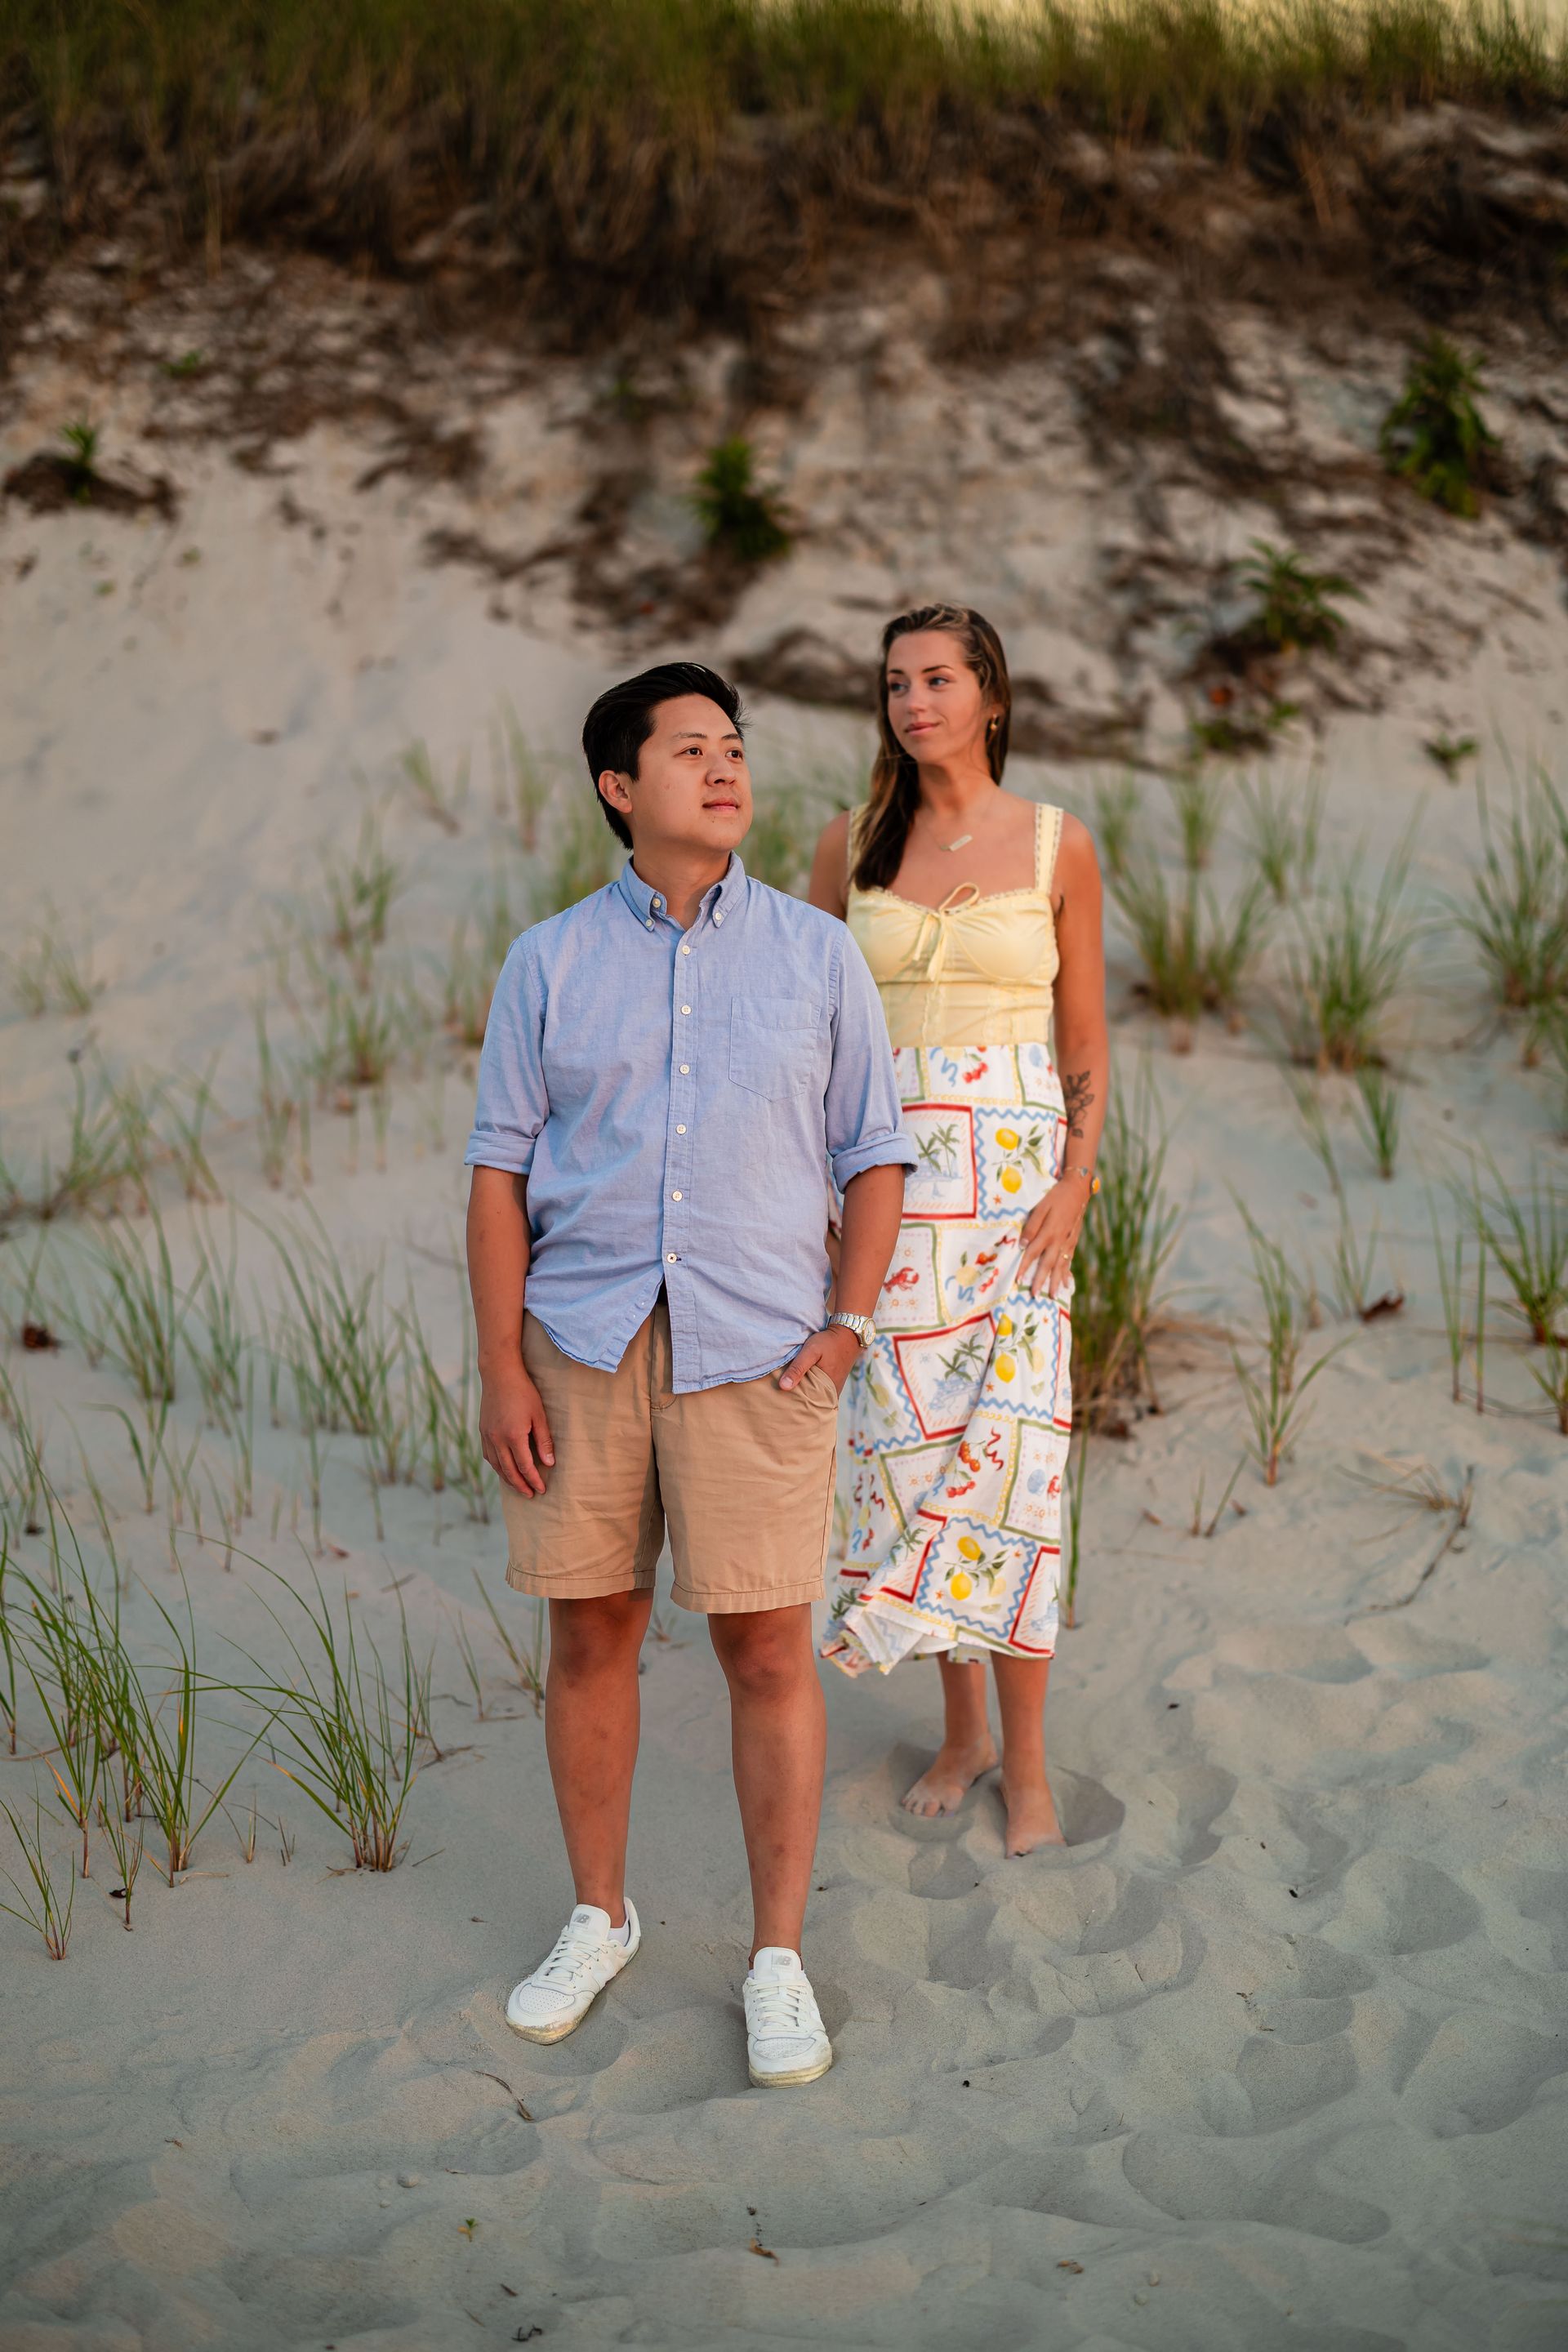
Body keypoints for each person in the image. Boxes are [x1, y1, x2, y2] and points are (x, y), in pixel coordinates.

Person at [466, 662, 912, 2087]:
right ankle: (599, 1916)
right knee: (591, 1633)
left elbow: (872, 1153)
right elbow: (499, 1176)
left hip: (760, 1351)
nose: (726, 771)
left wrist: (845, 1328)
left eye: (735, 748)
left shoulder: (812, 952)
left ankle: (777, 1956)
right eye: (690, 752)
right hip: (583, 1342)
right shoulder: (547, 962)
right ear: (620, 787)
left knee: (766, 1647)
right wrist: (501, 1373)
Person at [807, 604, 1107, 1856]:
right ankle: (962, 1728)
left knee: (1017, 1469)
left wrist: (1078, 1182)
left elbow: (1083, 1032)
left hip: (1017, 1205)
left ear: (990, 693)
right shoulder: (848, 846)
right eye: (894, 683)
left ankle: (1024, 1760)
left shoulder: (1056, 845)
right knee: (909, 1460)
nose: (913, 701)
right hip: (887, 1197)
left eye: (938, 678)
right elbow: (806, 1022)